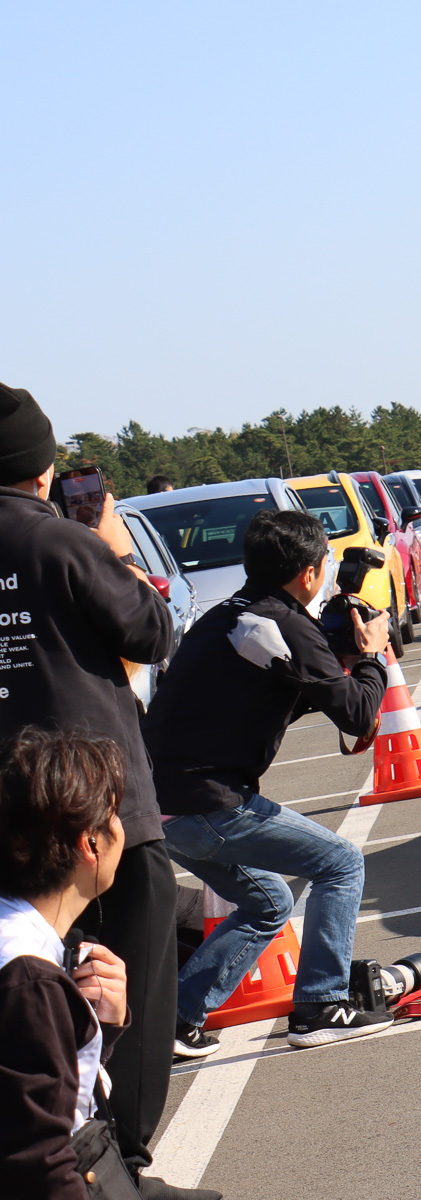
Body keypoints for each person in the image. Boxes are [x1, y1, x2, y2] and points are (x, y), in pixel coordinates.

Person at [0, 383, 201, 1198]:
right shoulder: (61, 542)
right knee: (137, 983)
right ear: (44, 472)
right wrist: (113, 546)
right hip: (98, 801)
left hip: (9, 812)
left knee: (33, 988)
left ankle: (64, 1146)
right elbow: (154, 633)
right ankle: (125, 1164)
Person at [141, 510, 397, 1050]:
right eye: (325, 564)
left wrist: (334, 659)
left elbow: (271, 695)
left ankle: (180, 1016)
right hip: (208, 804)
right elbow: (355, 714)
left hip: (159, 806)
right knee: (341, 863)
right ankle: (321, 1004)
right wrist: (370, 656)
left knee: (269, 903)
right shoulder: (286, 625)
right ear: (308, 573)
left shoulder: (224, 616)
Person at [0, 729, 160, 1200]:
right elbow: (41, 1166)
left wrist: (99, 1030)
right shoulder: (28, 979)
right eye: (114, 813)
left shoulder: (23, 943)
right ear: (90, 843)